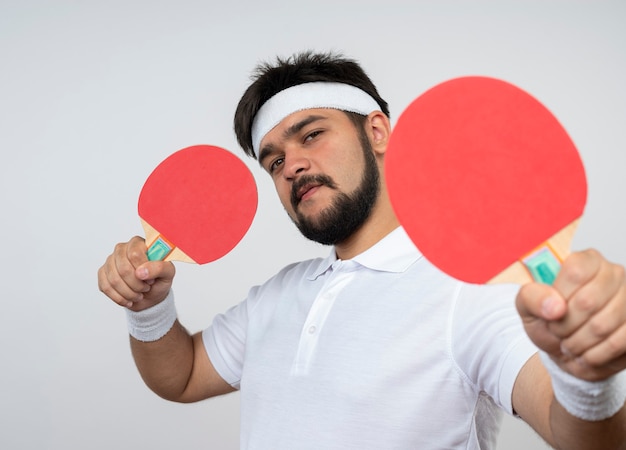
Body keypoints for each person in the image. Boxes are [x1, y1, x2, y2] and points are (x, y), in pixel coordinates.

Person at [98, 51, 626, 449]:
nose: (293, 166)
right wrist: (149, 309)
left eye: (310, 135)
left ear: (376, 131)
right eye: (274, 161)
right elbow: (182, 376)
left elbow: (579, 433)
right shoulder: (275, 297)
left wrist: (588, 376)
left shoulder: (469, 291)